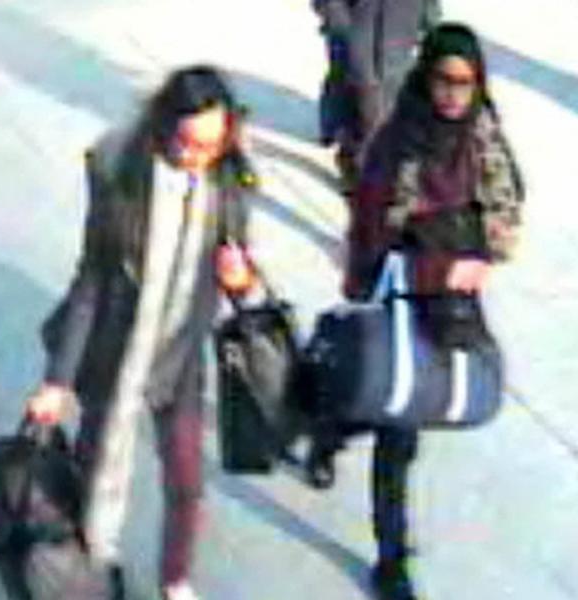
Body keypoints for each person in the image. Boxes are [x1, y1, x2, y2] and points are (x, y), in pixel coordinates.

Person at [28, 65, 262, 600]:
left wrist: (240, 279)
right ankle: (97, 567)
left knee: (186, 484)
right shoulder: (123, 180)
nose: (198, 157)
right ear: (164, 126)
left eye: (211, 145)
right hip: (115, 354)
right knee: (95, 474)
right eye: (188, 143)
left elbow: (243, 280)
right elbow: (90, 282)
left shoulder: (227, 182)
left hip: (179, 359)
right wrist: (57, 381)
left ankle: (175, 582)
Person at [315, 23, 524, 599]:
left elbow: (508, 212)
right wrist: (367, 274)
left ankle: (331, 423)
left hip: (454, 296)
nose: (454, 94)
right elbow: (368, 214)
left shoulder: (485, 136)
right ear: (425, 77)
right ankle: (391, 558)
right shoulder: (396, 137)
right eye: (444, 80)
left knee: (427, 401)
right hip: (400, 287)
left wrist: (483, 254)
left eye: (466, 82)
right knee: (397, 424)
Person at [312, 0, 442, 192]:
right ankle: (356, 163)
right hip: (358, 32)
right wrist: (338, 21)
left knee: (390, 99)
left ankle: (376, 160)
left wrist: (429, 19)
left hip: (399, 32)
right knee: (362, 96)